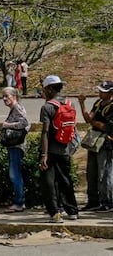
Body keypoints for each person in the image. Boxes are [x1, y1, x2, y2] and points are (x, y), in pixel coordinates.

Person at [40, 75, 79, 222]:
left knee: (48, 182)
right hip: (65, 148)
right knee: (66, 180)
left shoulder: (47, 107)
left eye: (45, 89)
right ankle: (72, 211)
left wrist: (44, 155)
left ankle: (55, 213)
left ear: (50, 89)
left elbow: (45, 132)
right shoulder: (70, 103)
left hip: (50, 149)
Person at [79, 81, 113, 212]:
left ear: (110, 93)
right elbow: (89, 119)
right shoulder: (98, 103)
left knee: (105, 173)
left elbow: (106, 127)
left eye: (103, 91)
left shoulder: (111, 107)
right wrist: (82, 104)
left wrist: (94, 122)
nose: (100, 93)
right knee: (91, 172)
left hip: (106, 142)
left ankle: (108, 201)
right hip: (94, 141)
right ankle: (93, 201)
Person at [0, 87, 29, 213]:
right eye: (3, 96)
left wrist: (8, 125)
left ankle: (19, 202)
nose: (4, 99)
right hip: (13, 146)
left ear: (14, 96)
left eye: (7, 96)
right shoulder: (15, 108)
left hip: (17, 146)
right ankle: (18, 200)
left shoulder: (17, 107)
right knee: (14, 173)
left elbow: (25, 123)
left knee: (14, 174)